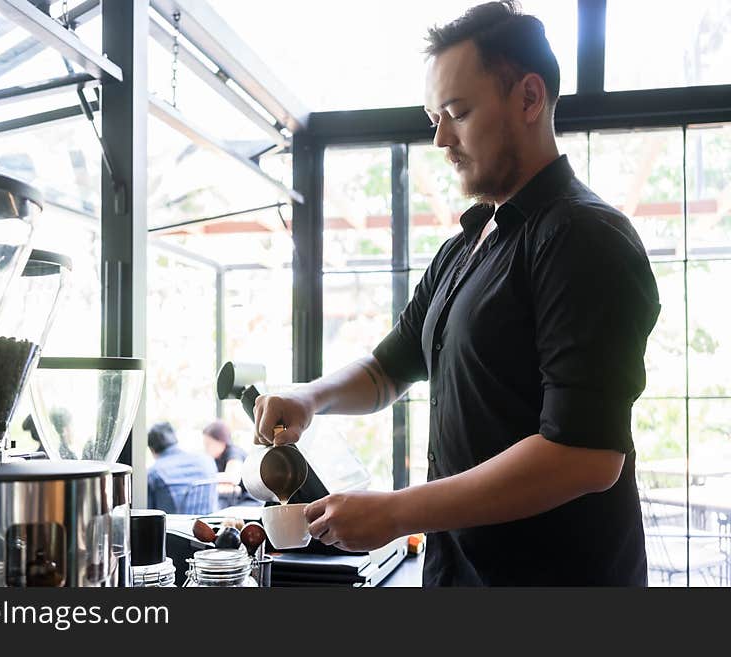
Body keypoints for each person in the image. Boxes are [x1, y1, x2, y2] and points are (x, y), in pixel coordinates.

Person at [254, 1, 660, 586]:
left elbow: (586, 456)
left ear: (528, 98)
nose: (440, 137)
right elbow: (388, 368)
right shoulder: (466, 244)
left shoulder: (582, 238)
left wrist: (397, 511)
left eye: (457, 112)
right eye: (434, 116)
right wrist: (309, 398)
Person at [147, 421, 218, 515]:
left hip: (173, 527)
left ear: (152, 449)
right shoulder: (207, 460)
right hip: (207, 526)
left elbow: (148, 512)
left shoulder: (154, 473)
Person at [202, 419, 260, 508]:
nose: (206, 449)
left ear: (221, 441)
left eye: (208, 444)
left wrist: (205, 478)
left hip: (250, 501)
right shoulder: (216, 458)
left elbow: (233, 477)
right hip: (236, 499)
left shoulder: (234, 453)